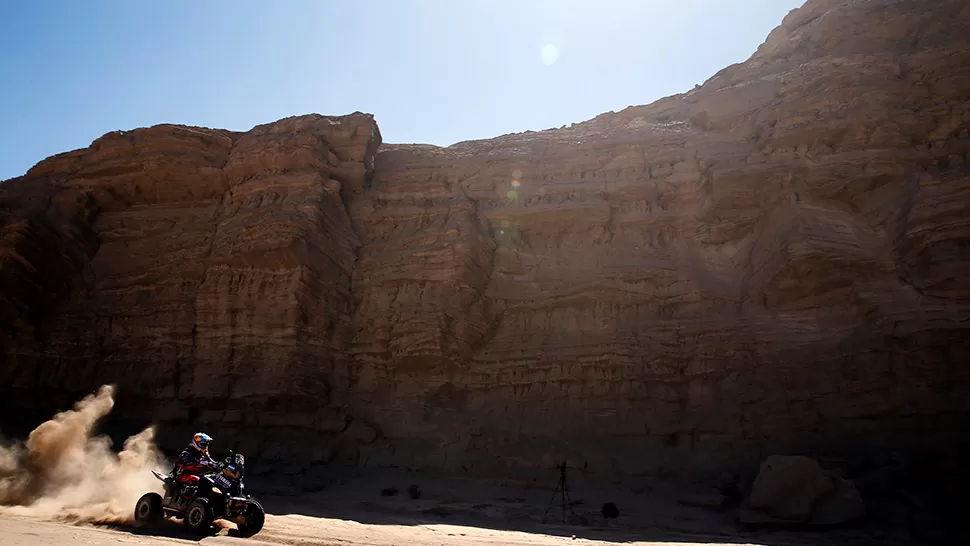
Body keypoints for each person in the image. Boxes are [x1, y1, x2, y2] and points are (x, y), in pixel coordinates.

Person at [173, 432, 219, 496]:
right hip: (182, 476)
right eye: (203, 444)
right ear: (196, 443)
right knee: (196, 479)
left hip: (196, 474)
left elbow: (211, 462)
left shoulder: (203, 454)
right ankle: (186, 499)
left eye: (206, 444)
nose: (205, 446)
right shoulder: (186, 453)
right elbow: (185, 465)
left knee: (212, 479)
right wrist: (199, 463)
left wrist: (218, 466)